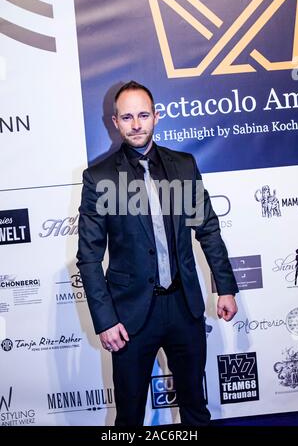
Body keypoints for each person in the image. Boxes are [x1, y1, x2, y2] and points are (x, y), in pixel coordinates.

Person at [77, 80, 238, 426]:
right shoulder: (99, 177)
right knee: (130, 416)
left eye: (143, 115)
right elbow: (89, 257)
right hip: (130, 317)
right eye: (127, 117)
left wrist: (225, 287)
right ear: (115, 122)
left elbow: (207, 228)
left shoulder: (183, 165)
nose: (136, 124)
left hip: (184, 309)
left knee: (196, 409)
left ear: (157, 117)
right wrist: (105, 320)